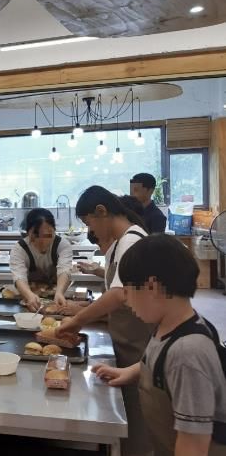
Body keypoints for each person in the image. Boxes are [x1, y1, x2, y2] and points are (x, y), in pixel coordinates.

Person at [93, 234, 226, 456]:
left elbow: (193, 445)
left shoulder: (188, 354)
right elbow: (159, 361)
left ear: (152, 287)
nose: (126, 301)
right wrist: (129, 372)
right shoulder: (170, 323)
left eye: (128, 291)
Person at [57, 185, 153, 456]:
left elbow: (119, 294)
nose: (92, 232)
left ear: (101, 211)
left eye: (89, 223)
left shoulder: (131, 240)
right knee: (128, 414)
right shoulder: (125, 240)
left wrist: (77, 320)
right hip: (125, 339)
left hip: (136, 342)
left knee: (137, 418)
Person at [9, 208, 73, 311]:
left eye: (49, 234)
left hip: (58, 298)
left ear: (54, 231)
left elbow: (64, 270)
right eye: (37, 235)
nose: (44, 241)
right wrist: (29, 295)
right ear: (28, 233)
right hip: (30, 299)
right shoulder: (20, 249)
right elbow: (19, 277)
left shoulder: (62, 245)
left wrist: (60, 292)